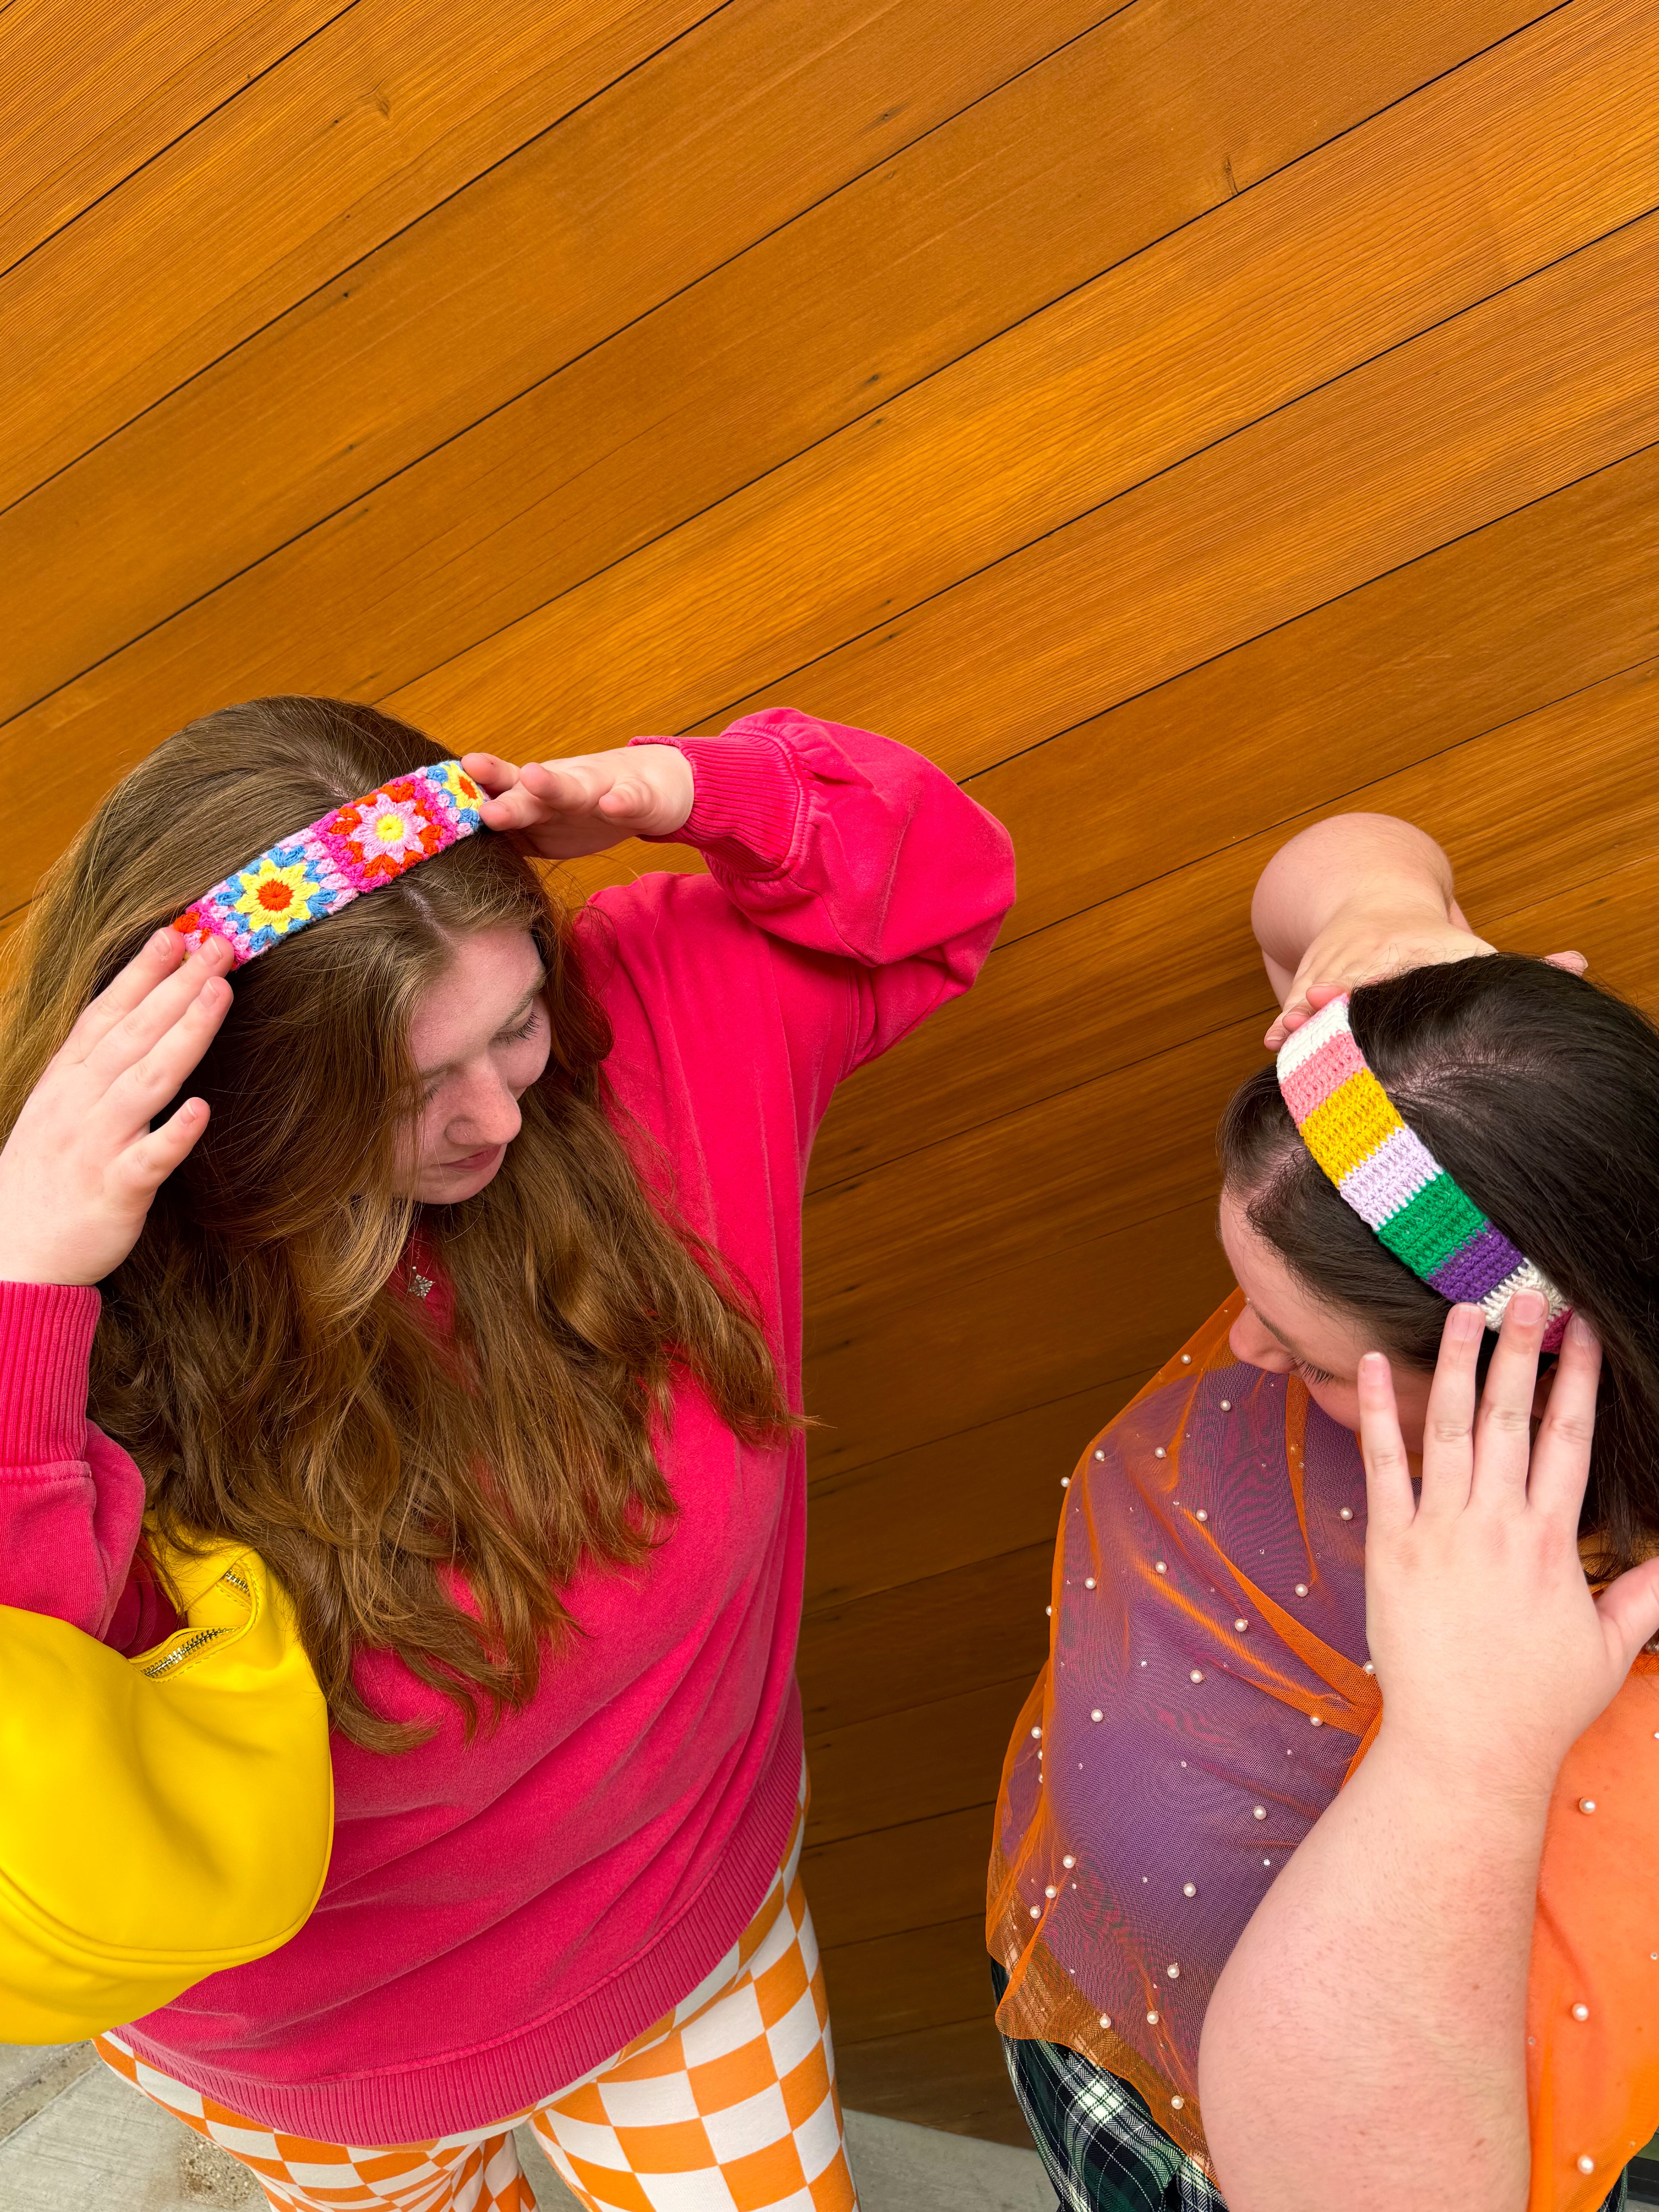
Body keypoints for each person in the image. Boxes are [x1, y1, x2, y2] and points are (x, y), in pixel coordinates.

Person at [0, 696, 1014, 2212]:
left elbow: (940, 895)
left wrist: (687, 788)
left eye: (516, 1021)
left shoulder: (660, 1030)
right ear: (226, 1114)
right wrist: (27, 1294)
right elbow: (34, 1682)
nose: (499, 1115)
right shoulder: (98, 1318)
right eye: (409, 1097)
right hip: (312, 2077)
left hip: (686, 1951)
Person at [988, 813, 1659, 2212]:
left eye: (1295, 1350)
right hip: (1092, 2017)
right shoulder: (1417, 1216)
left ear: (1513, 1360)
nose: (1238, 1351)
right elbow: (1324, 865)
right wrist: (1381, 906)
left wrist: (1467, 1751)